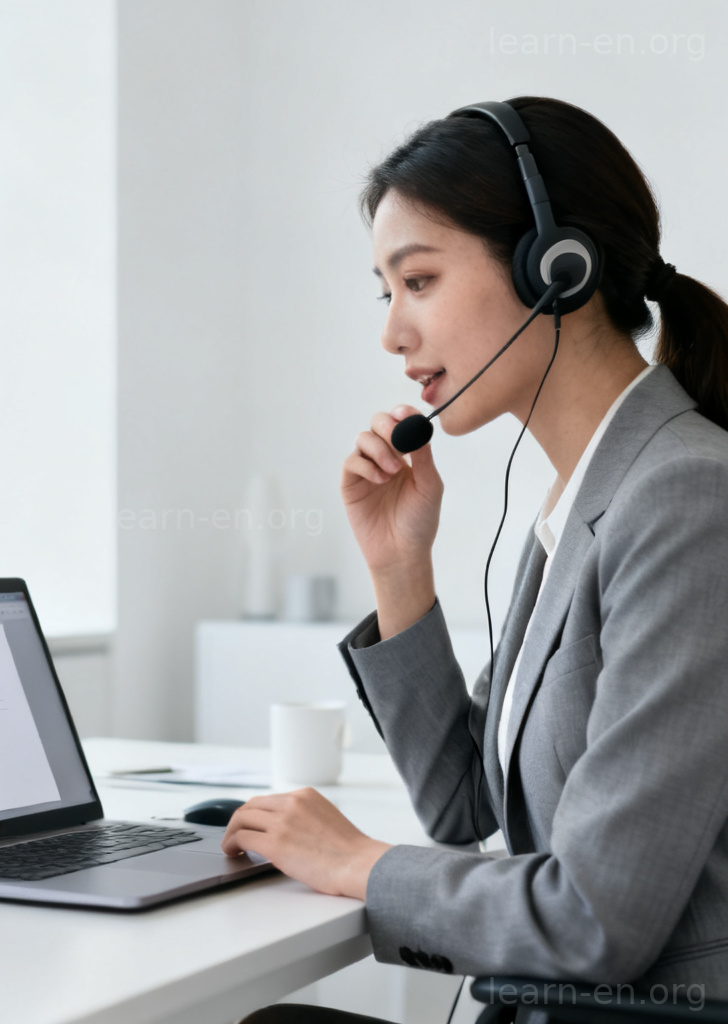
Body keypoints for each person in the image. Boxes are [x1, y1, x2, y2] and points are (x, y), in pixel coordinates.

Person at [222, 96, 728, 1021]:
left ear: (556, 270)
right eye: (387, 292)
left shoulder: (686, 498)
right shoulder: (584, 501)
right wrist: (398, 567)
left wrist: (356, 862)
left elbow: (597, 920)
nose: (392, 333)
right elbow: (463, 805)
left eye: (418, 281)